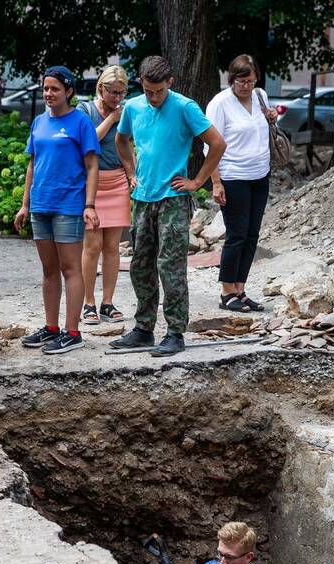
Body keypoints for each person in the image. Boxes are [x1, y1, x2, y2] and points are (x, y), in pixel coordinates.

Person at [111, 56, 226, 357]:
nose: (153, 97)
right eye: (148, 91)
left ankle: (175, 332)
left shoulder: (185, 107)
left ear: (170, 83)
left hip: (173, 199)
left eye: (159, 91)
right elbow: (121, 139)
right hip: (143, 197)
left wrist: (198, 181)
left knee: (171, 266)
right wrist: (130, 172)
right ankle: (143, 328)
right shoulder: (134, 107)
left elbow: (217, 143)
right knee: (140, 265)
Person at [13, 66, 101, 355]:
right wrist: (25, 204)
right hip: (41, 205)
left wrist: (89, 205)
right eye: (45, 89)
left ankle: (72, 332)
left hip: (69, 205)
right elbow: (32, 164)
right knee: (49, 269)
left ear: (69, 92)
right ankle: (51, 328)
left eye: (55, 89)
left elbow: (91, 166)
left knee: (70, 268)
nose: (49, 94)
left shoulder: (80, 122)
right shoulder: (38, 122)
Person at [205, 55, 277, 314]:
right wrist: (216, 182)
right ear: (231, 80)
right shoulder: (220, 103)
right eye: (240, 81)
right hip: (233, 175)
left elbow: (263, 128)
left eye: (250, 80)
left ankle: (240, 288)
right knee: (236, 234)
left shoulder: (260, 96)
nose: (246, 86)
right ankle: (226, 292)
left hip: (260, 174)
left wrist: (271, 118)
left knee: (252, 234)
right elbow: (210, 145)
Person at [78, 65, 134, 326]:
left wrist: (132, 172)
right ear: (101, 88)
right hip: (92, 183)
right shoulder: (85, 110)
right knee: (92, 245)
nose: (117, 98)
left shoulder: (125, 111)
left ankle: (108, 302)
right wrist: (111, 118)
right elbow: (89, 141)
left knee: (113, 247)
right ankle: (88, 302)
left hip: (117, 181)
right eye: (113, 92)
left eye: (122, 93)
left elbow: (126, 145)